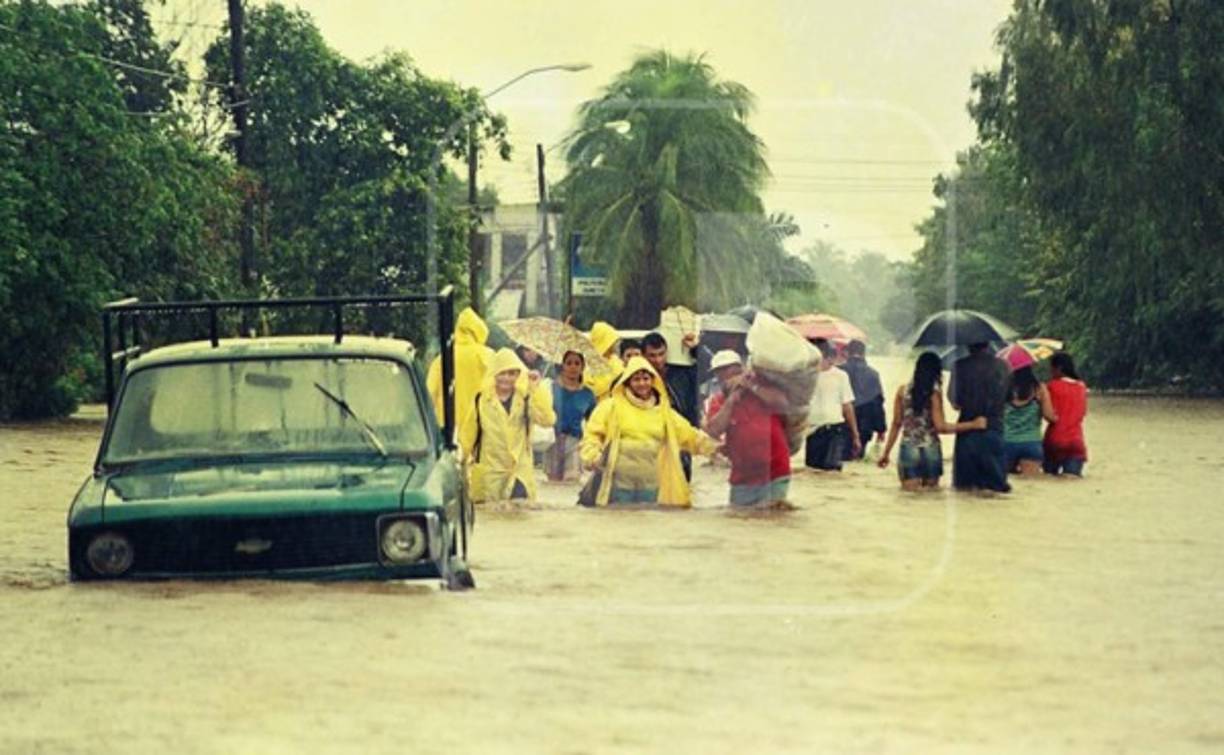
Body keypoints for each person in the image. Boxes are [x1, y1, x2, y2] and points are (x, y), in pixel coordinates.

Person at [580, 356, 717, 506]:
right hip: (618, 485)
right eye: (636, 379)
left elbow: (689, 435)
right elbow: (592, 435)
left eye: (645, 378)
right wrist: (592, 455)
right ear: (627, 382)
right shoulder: (610, 407)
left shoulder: (664, 413)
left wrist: (714, 447)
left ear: (653, 381)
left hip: (651, 485)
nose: (642, 383)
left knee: (648, 523)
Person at [878, 352, 988, 490]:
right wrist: (973, 424)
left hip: (908, 449)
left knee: (907, 500)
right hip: (931, 450)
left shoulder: (902, 391)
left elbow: (896, 424)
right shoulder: (934, 393)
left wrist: (886, 453)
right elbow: (941, 427)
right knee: (931, 500)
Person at [457, 348, 556, 504]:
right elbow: (467, 437)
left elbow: (548, 420)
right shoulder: (480, 400)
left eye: (512, 374)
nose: (506, 378)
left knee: (520, 518)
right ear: (493, 374)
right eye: (502, 373)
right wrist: (458, 464)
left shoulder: (525, 397)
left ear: (518, 375)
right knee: (492, 519)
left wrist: (536, 389)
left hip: (519, 474)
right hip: (489, 474)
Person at [704, 350, 793, 507]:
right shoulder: (719, 401)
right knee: (740, 523)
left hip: (775, 471)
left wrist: (751, 386)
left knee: (775, 522)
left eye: (729, 370)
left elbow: (784, 405)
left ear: (742, 369)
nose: (724, 376)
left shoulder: (764, 389)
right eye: (719, 372)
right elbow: (713, 431)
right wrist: (731, 400)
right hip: (742, 478)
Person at [948, 341, 1012, 493]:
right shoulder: (1003, 366)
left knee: (964, 489)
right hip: (994, 428)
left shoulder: (959, 366)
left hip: (967, 431)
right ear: (988, 345)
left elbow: (954, 400)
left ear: (968, 346)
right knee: (997, 488)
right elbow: (1009, 397)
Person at [642, 331, 700, 480]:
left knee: (683, 484)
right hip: (650, 439)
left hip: (680, 437)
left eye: (661, 354)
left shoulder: (682, 375)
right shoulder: (637, 380)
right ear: (643, 356)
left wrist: (695, 349)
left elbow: (711, 367)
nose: (658, 360)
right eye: (652, 356)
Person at [427, 307, 493, 435]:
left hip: (448, 428)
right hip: (480, 427)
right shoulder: (487, 356)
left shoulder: (442, 359)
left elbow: (429, 394)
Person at [804, 339, 861, 471]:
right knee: (812, 471)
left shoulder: (840, 376)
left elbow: (847, 406)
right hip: (812, 431)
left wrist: (855, 434)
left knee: (832, 471)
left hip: (835, 430)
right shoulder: (805, 376)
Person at [547, 350, 597, 481]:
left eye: (577, 363)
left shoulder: (587, 394)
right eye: (569, 363)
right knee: (553, 484)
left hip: (575, 441)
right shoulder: (550, 388)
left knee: (572, 481)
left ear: (583, 367)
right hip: (552, 440)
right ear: (562, 365)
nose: (573, 367)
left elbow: (593, 422)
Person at [1004, 365, 1057, 474]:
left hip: (1007, 442)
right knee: (1030, 482)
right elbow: (1048, 415)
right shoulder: (1040, 388)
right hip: (1031, 443)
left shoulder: (1004, 388)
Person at [839, 340, 887, 459]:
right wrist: (881, 428)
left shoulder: (838, 372)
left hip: (841, 424)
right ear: (864, 353)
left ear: (847, 353)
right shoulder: (873, 374)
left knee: (838, 459)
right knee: (857, 459)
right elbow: (877, 402)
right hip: (865, 426)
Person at [1043, 352, 1089, 476]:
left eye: (1051, 369)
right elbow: (1083, 412)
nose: (1050, 373)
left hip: (1054, 440)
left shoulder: (1052, 386)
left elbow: (1048, 413)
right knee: (1072, 481)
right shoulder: (1081, 387)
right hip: (1076, 441)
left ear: (1059, 368)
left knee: (1049, 480)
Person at [585, 321, 625, 402]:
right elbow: (589, 389)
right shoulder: (587, 365)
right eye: (612, 339)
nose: (615, 343)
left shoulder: (617, 361)